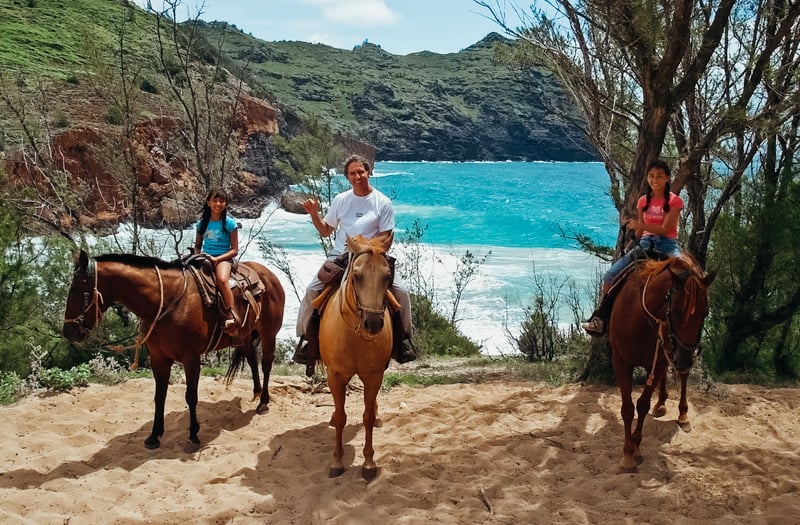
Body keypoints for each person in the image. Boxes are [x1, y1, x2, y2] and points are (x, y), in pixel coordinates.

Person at [293, 154, 417, 366]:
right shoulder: (341, 200)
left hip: (373, 258)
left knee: (402, 293)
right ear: (347, 177)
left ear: (369, 172)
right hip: (341, 256)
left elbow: (386, 235)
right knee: (312, 291)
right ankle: (306, 341)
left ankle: (403, 342)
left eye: (361, 171)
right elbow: (326, 230)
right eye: (353, 173)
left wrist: (364, 247)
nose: (358, 176)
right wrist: (314, 214)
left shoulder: (382, 202)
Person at [582, 160, 683, 335]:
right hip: (645, 244)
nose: (655, 180)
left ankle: (687, 328)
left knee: (687, 278)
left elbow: (666, 229)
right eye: (651, 176)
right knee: (610, 276)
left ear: (667, 178)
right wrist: (628, 248)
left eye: (659, 176)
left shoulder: (675, 201)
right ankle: (601, 319)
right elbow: (640, 230)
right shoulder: (643, 201)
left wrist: (638, 225)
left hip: (668, 245)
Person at [194, 188, 240, 333]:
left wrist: (217, 259)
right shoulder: (202, 224)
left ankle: (232, 314)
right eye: (215, 200)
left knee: (221, 279)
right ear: (209, 203)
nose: (218, 204)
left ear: (225, 204)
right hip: (205, 258)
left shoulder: (229, 224)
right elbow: (197, 246)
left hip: (223, 258)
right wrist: (198, 256)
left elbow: (234, 250)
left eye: (222, 201)